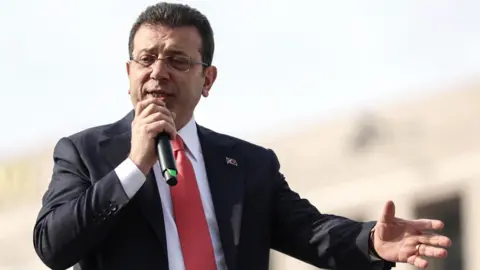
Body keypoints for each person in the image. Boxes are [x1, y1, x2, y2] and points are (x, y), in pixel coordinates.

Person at [32, 2, 451, 270]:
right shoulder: (85, 152)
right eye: (146, 59)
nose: (158, 72)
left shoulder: (249, 164)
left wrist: (372, 243)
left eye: (177, 60)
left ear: (207, 79)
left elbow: (312, 232)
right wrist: (133, 167)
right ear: (129, 74)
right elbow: (53, 246)